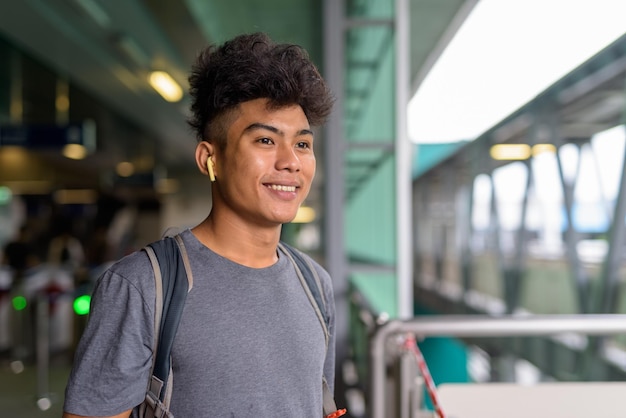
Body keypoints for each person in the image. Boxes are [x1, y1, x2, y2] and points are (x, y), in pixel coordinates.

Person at [62, 32, 338, 418]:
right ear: (210, 158)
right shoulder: (143, 286)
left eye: (303, 144)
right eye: (264, 140)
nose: (290, 162)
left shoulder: (315, 285)